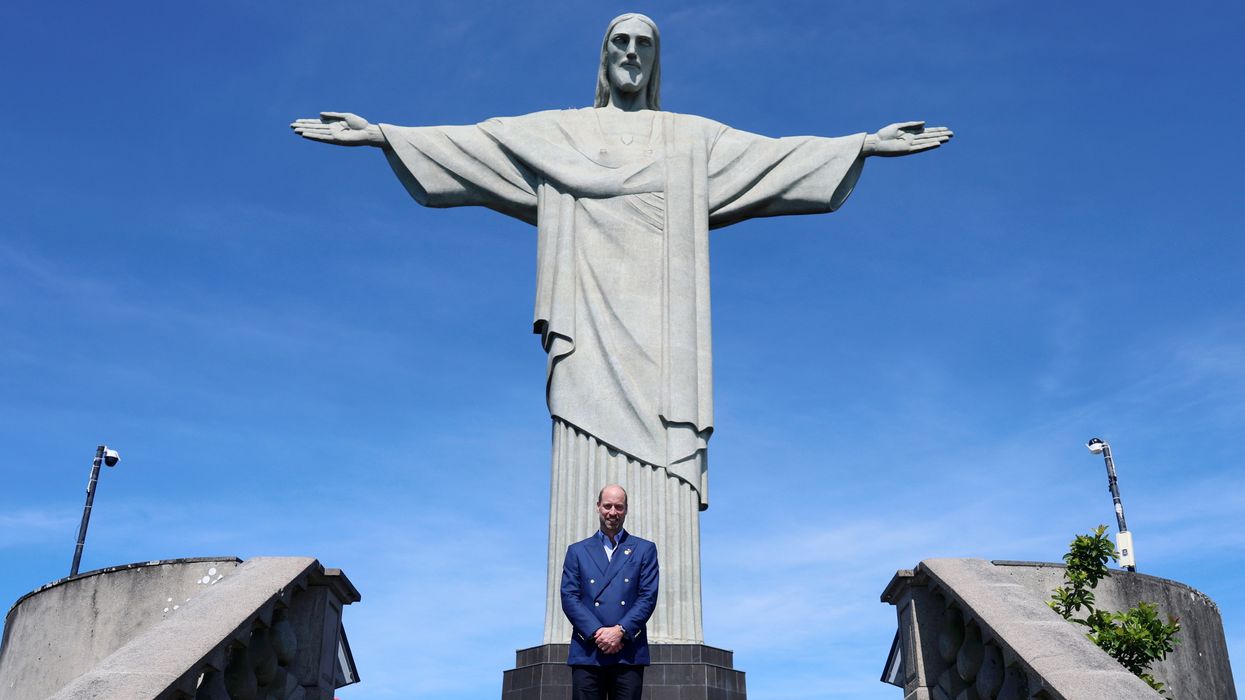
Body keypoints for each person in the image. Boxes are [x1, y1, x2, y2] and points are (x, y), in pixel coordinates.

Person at [290, 12, 952, 645]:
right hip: (586, 322)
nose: (631, 53)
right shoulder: (559, 134)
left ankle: (662, 630)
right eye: (619, 44)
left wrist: (859, 144)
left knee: (664, 471)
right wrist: (382, 134)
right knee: (580, 452)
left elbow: (772, 160)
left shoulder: (691, 140)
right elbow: (477, 144)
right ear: (603, 60)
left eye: (643, 44)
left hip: (665, 336)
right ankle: (578, 632)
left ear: (655, 60)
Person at [560, 484, 657, 699]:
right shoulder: (577, 551)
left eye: (619, 507)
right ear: (598, 507)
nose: (612, 512)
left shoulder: (644, 549)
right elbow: (569, 597)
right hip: (588, 651)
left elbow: (647, 597)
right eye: (607, 506)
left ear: (626, 509)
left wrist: (620, 631)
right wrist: (598, 633)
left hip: (628, 651)